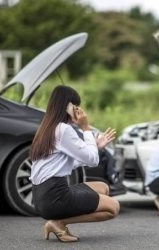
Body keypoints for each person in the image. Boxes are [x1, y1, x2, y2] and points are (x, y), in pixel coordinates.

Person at [30, 85, 120, 242]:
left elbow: (69, 163)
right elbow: (92, 160)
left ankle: (57, 221)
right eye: (76, 106)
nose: (79, 110)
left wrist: (96, 146)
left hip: (42, 196)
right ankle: (58, 222)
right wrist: (85, 128)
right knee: (113, 208)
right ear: (68, 107)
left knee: (102, 187)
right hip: (54, 197)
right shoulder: (64, 130)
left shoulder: (47, 128)